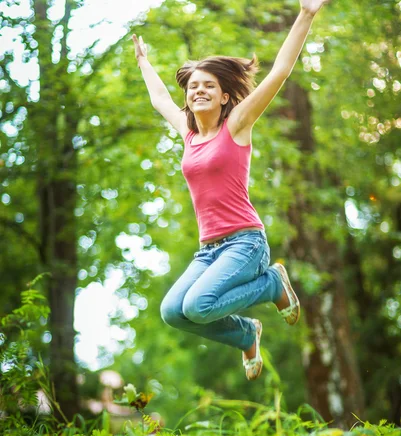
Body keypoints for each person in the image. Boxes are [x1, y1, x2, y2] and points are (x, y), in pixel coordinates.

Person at [133, 0, 329, 380]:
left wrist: (305, 15)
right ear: (188, 96)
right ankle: (246, 334)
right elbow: (159, 99)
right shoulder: (189, 134)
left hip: (245, 244)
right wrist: (144, 62)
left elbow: (280, 73)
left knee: (200, 305)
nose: (199, 91)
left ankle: (273, 282)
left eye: (209, 85)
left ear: (224, 96)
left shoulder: (236, 124)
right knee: (174, 311)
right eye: (193, 87)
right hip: (208, 251)